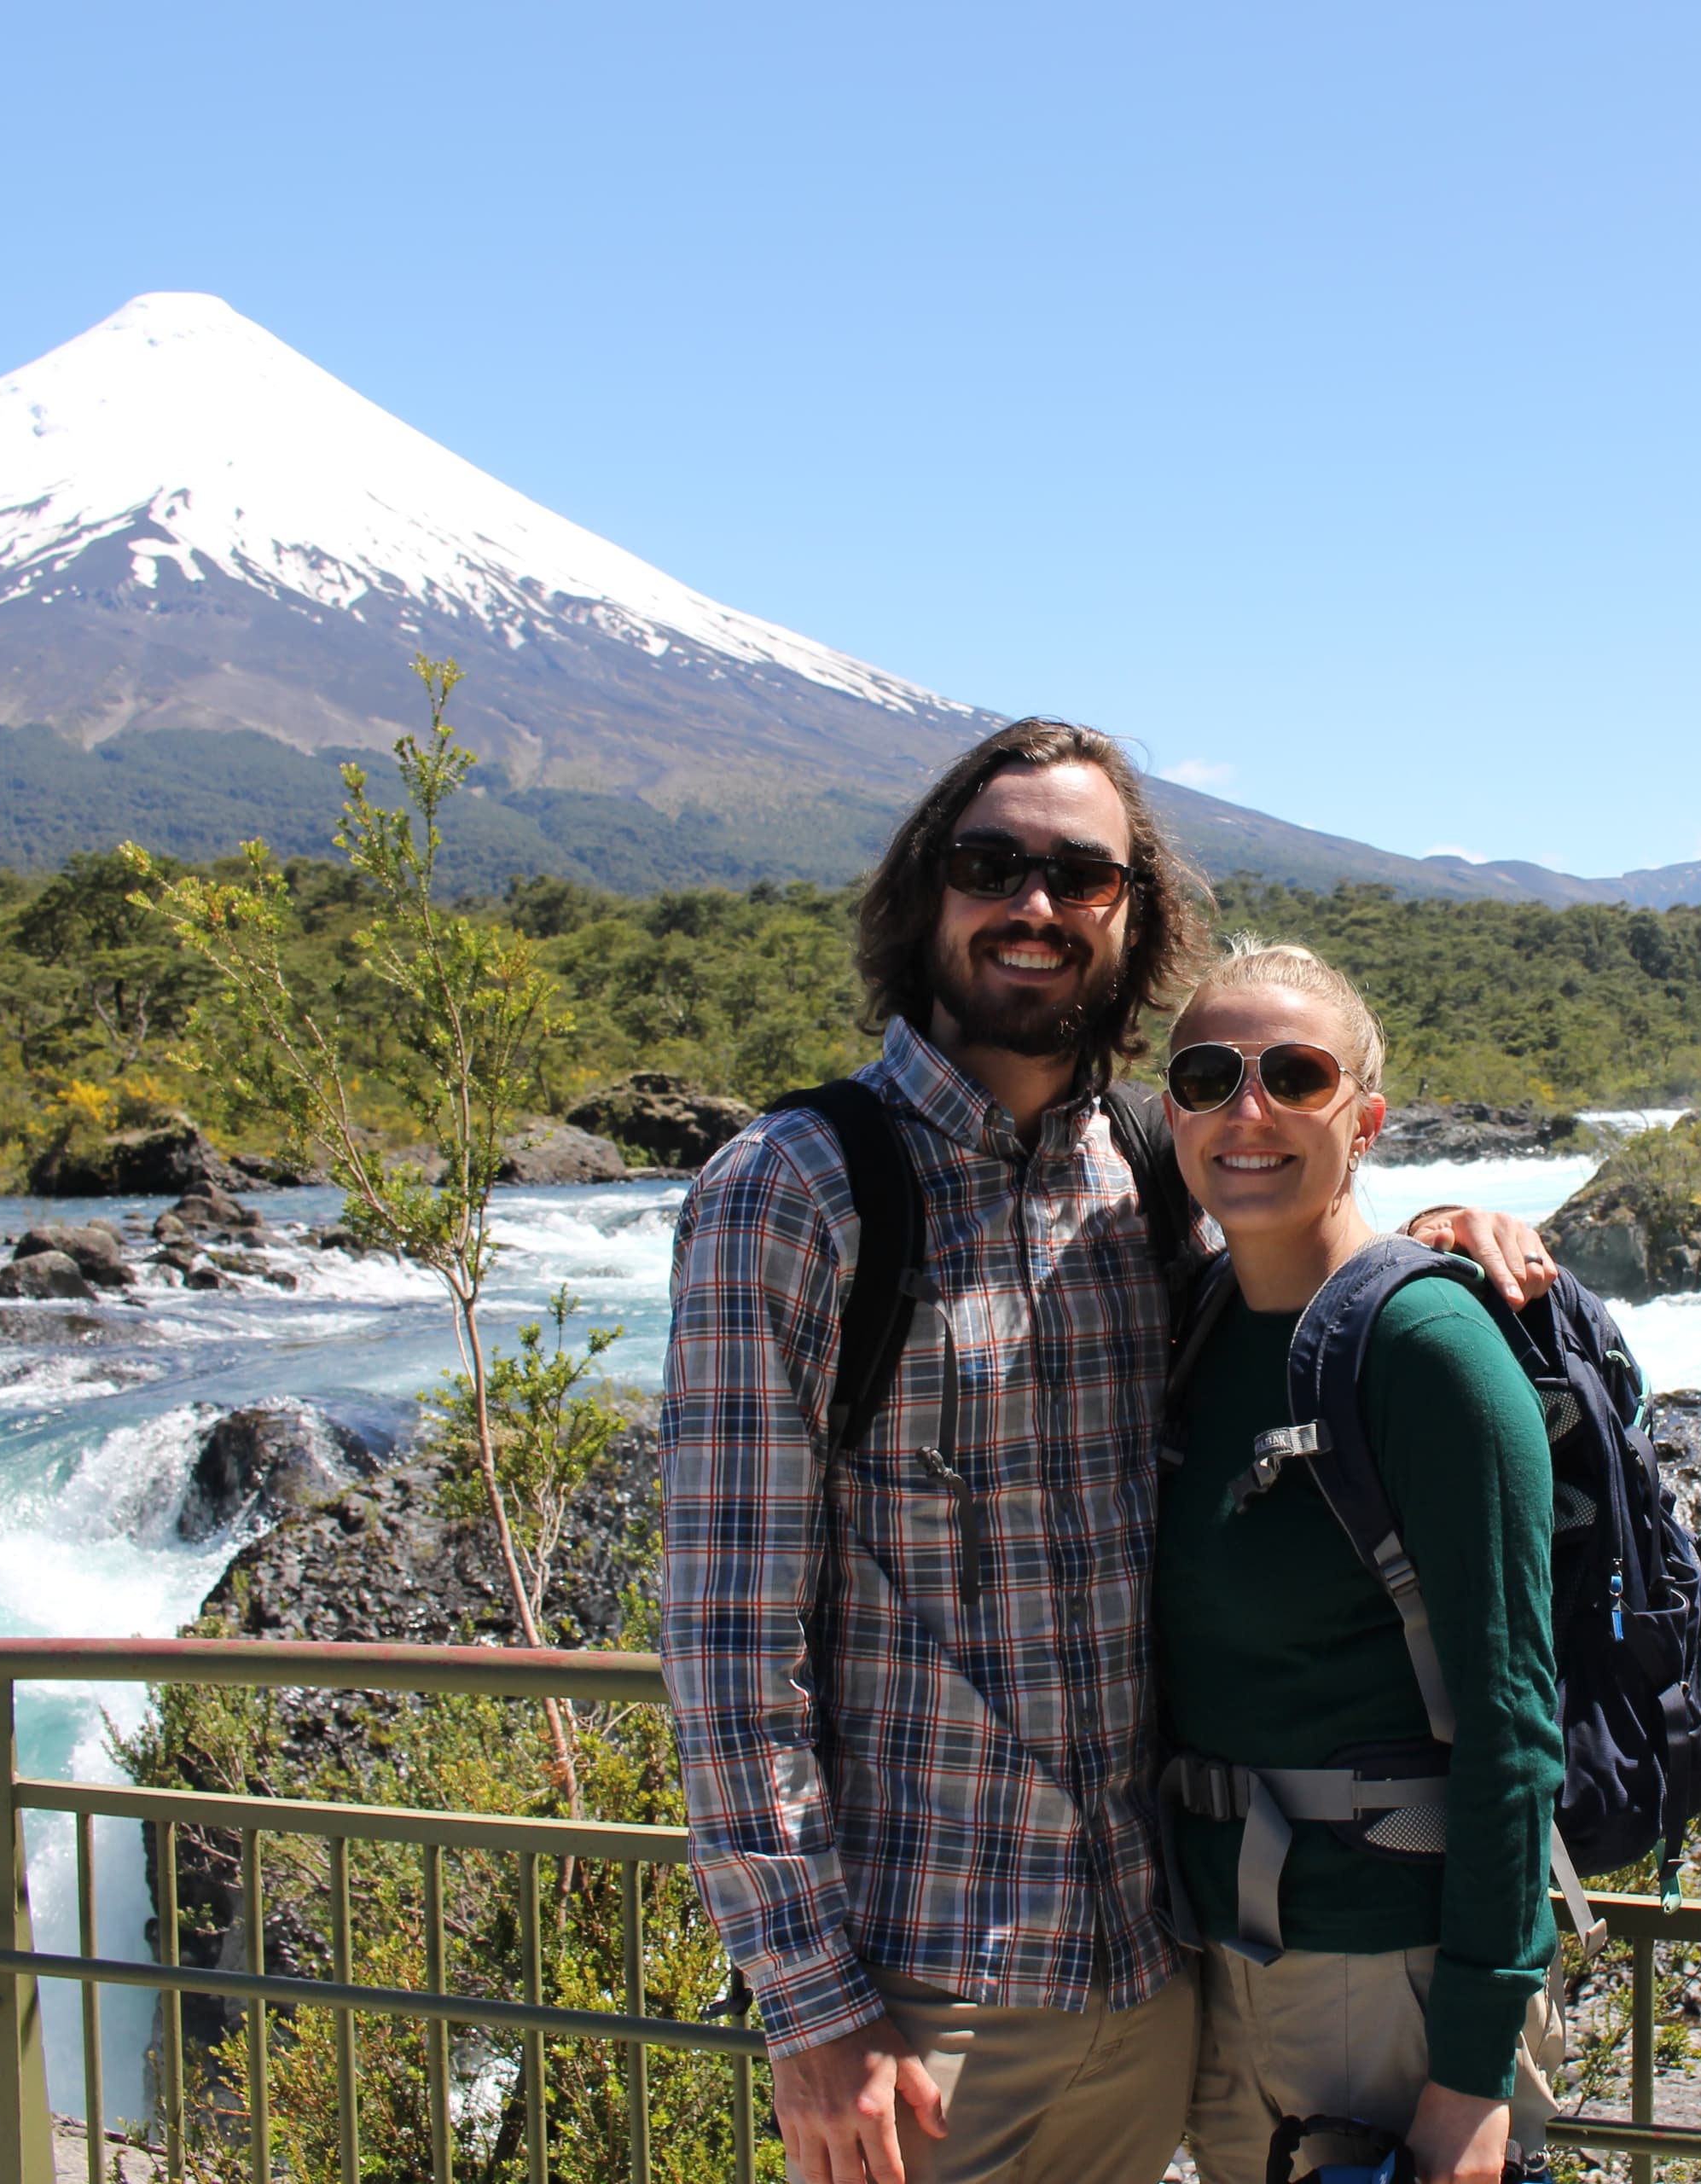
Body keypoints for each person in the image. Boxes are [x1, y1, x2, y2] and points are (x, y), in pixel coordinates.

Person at [658, 717, 1556, 2184]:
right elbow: (726, 1640)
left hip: (1156, 1970)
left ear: (1131, 923)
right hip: (924, 2007)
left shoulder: (1142, 1172)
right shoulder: (797, 1192)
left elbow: (1298, 1258)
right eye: (989, 863)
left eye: (1082, 874)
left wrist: (1448, 1235)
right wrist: (808, 2006)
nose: (1033, 905)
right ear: (924, 894)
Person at [1153, 941, 1565, 2184]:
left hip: (1384, 1981)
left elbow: (1513, 1726)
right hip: (1223, 1953)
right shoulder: (1200, 1319)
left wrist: (1471, 2078)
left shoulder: (1427, 1344)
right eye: (1209, 1074)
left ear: (1366, 1118)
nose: (1249, 1109)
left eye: (1295, 1072)